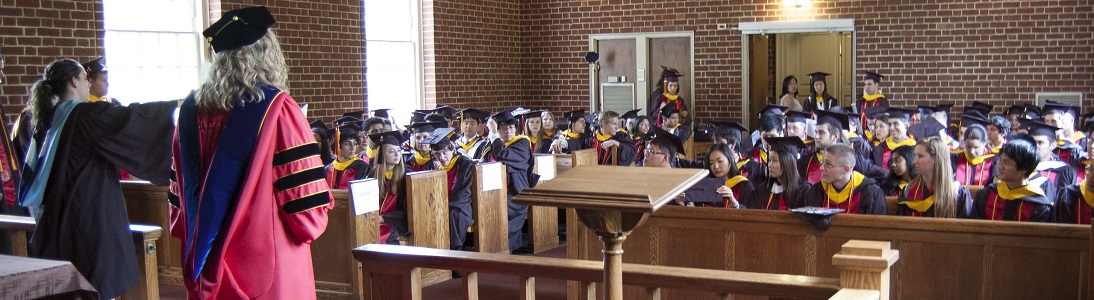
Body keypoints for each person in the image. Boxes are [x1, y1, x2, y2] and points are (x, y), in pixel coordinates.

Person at [168, 7, 334, 298]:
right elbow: (306, 213)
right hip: (269, 261)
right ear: (266, 53)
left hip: (205, 259)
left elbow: (178, 201)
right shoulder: (278, 110)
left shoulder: (189, 113)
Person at [13, 55, 175, 298]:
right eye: (84, 78)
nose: (89, 84)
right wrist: (180, 106)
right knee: (93, 287)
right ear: (73, 81)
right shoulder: (83, 115)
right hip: (87, 223)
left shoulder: (48, 117)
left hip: (57, 221)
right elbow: (130, 119)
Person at [486, 110, 539, 251]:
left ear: (516, 129)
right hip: (495, 191)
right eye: (502, 128)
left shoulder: (522, 144)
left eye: (510, 127)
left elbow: (502, 155)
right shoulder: (492, 145)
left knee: (497, 211)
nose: (507, 131)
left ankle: (499, 248)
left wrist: (493, 134)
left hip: (516, 194)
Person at [972, 136, 1055, 222]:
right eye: (1000, 161)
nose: (1000, 166)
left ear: (1024, 168)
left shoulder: (1039, 206)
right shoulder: (986, 194)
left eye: (1006, 163)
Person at [422, 128, 476, 249]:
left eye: (444, 152)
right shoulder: (433, 165)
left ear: (452, 150)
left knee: (452, 215)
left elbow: (463, 194)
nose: (441, 157)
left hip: (460, 208)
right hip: (441, 205)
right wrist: (436, 174)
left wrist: (443, 205)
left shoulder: (465, 164)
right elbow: (428, 191)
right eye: (437, 154)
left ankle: (454, 254)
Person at [897, 137, 974, 217]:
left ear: (937, 159)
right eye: (915, 156)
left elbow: (965, 227)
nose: (914, 161)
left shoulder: (958, 194)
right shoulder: (908, 191)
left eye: (920, 156)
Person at [800, 111, 885, 184]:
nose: (816, 137)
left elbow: (881, 175)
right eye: (816, 132)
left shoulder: (853, 160)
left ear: (835, 136)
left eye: (821, 132)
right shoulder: (807, 161)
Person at [803, 144, 888, 214]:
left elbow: (878, 228)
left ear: (846, 169)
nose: (821, 168)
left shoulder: (871, 193)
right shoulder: (816, 191)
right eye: (822, 162)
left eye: (828, 164)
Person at [370, 130, 409, 243]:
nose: (397, 155)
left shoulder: (405, 176)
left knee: (381, 235)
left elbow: (406, 209)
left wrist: (384, 218)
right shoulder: (371, 175)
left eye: (398, 150)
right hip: (374, 220)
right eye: (391, 151)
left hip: (395, 223)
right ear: (381, 154)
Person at [752, 137, 810, 210]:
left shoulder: (804, 191)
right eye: (769, 160)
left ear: (787, 163)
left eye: (774, 161)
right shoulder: (762, 189)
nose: (769, 165)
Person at [1027, 121, 1075, 190]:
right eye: (1032, 142)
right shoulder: (1021, 166)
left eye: (1040, 142)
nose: (1035, 146)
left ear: (1053, 145)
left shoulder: (1063, 171)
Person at [705, 143, 755, 208]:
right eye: (711, 163)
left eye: (720, 161)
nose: (716, 167)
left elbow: (751, 213)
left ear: (730, 160)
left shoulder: (744, 185)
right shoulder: (706, 186)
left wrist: (735, 203)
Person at [1044, 103, 1086, 180]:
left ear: (1063, 123)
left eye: (1054, 121)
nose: (1049, 125)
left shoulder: (1073, 149)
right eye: (1047, 121)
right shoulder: (1043, 146)